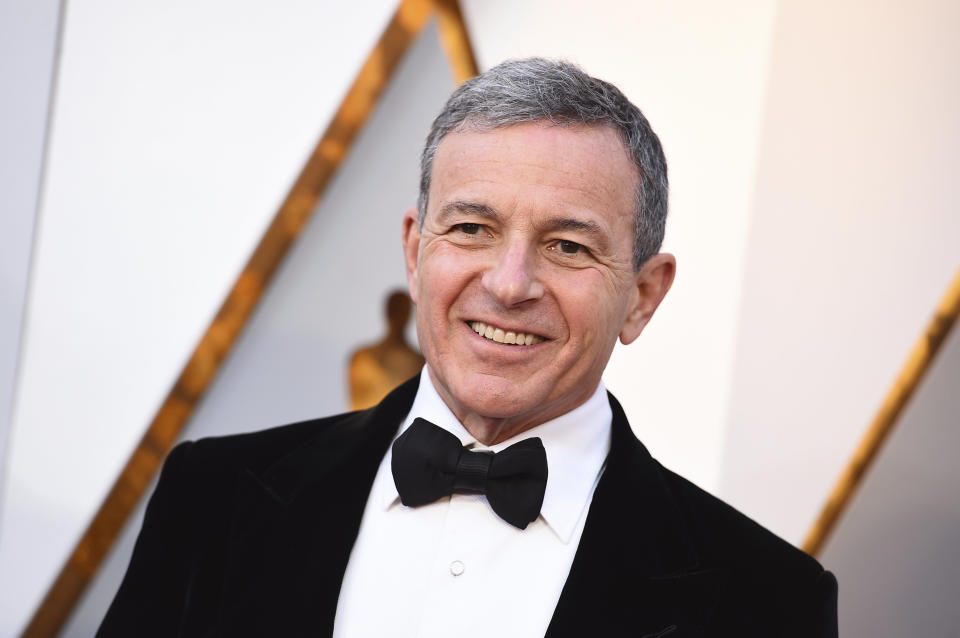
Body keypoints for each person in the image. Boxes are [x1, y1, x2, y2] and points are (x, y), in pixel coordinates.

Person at [98, 58, 837, 637]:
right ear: (416, 250)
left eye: (568, 244)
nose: (511, 284)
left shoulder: (767, 600)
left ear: (643, 295)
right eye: (472, 229)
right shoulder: (213, 496)